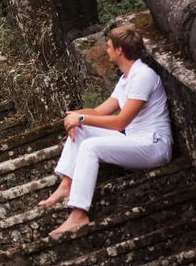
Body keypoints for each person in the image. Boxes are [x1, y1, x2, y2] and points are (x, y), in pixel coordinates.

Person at [38, 25, 172, 236]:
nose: (106, 50)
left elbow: (120, 123)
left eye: (109, 46)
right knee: (82, 130)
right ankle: (66, 185)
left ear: (119, 50)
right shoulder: (126, 78)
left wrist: (81, 118)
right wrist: (73, 117)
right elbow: (100, 111)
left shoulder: (143, 76)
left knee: (91, 146)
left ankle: (79, 214)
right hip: (135, 141)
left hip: (154, 146)